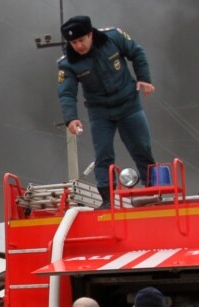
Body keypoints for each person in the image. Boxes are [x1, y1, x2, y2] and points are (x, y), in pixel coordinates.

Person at [56, 15, 156, 207]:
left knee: (141, 147)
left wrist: (144, 78)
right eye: (74, 42)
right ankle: (107, 198)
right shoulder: (67, 62)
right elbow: (66, 93)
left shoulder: (113, 37)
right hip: (100, 111)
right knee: (103, 154)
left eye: (81, 40)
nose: (78, 46)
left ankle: (153, 189)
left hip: (129, 104)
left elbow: (137, 52)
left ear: (90, 34)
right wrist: (71, 119)